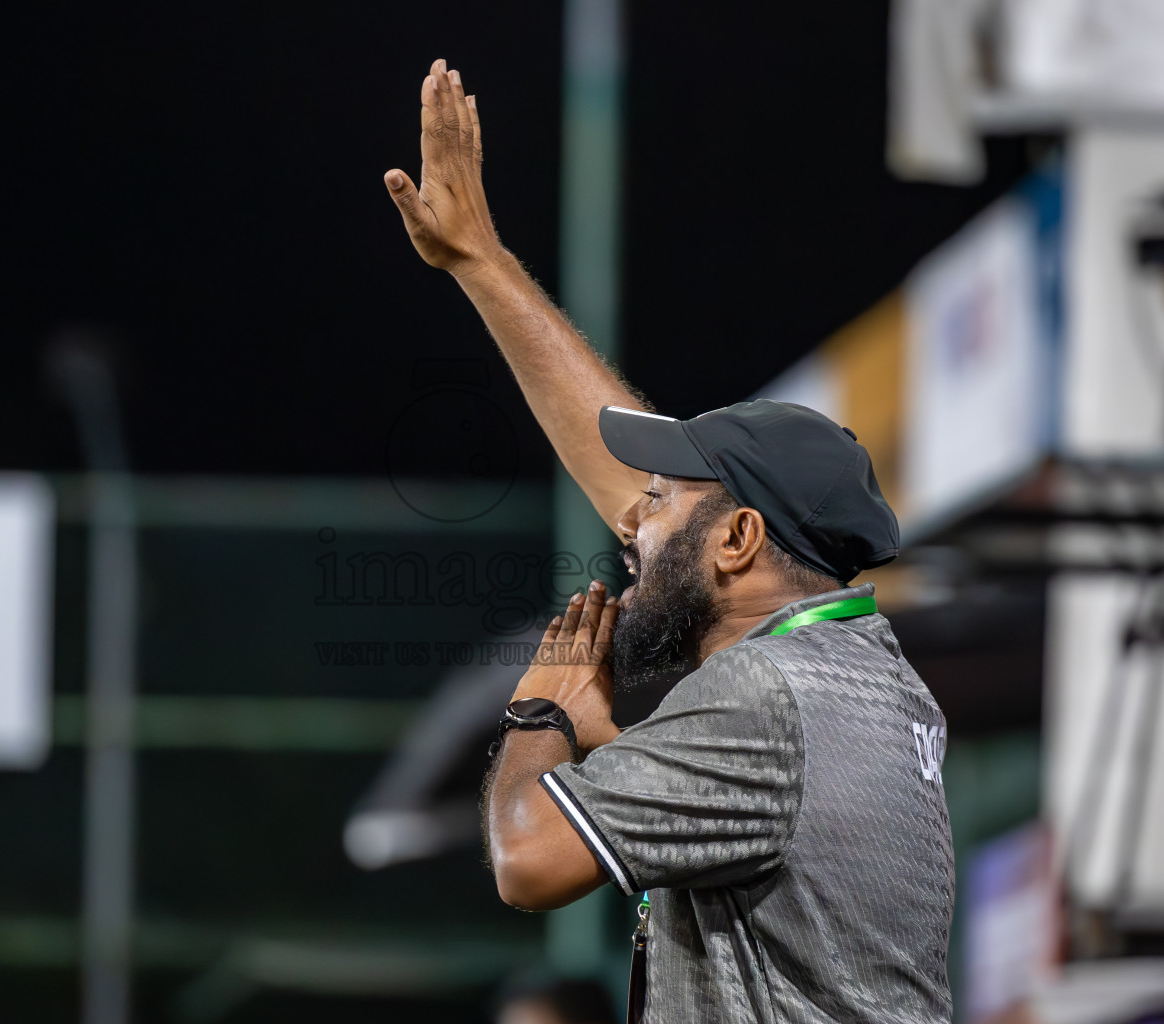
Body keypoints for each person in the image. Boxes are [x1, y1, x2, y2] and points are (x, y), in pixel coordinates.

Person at [382, 60, 954, 1023]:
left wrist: (541, 721)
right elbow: (639, 504)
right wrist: (481, 261)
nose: (632, 520)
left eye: (663, 500)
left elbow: (528, 860)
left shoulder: (765, 694)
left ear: (738, 539)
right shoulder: (856, 668)